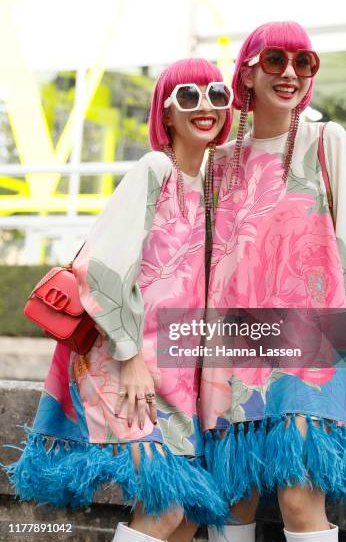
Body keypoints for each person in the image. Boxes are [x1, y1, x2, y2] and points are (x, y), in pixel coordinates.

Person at [2, 58, 233, 542]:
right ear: (165, 114)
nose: (205, 105)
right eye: (188, 96)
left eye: (217, 93)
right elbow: (100, 268)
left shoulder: (209, 184)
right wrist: (130, 357)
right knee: (168, 509)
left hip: (174, 369)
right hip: (125, 361)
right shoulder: (156, 168)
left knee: (190, 512)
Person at [200, 22, 346, 542]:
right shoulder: (217, 162)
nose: (290, 72)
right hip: (232, 345)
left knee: (297, 494)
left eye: (303, 62)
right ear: (247, 70)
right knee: (232, 499)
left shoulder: (324, 140)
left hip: (312, 338)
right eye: (275, 60)